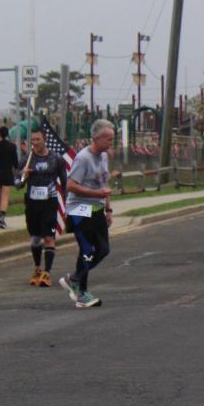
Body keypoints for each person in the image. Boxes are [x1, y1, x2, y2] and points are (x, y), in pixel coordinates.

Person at [60, 120, 115, 309]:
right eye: (108, 139)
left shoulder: (104, 157)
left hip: (96, 208)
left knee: (103, 249)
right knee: (87, 250)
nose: (111, 143)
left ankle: (75, 279)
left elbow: (104, 184)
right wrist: (96, 194)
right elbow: (70, 185)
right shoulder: (83, 158)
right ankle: (81, 292)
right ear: (96, 138)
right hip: (79, 209)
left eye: (112, 139)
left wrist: (108, 209)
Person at [19, 128, 66, 286]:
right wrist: (23, 176)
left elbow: (64, 182)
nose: (35, 143)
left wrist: (67, 201)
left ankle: (47, 272)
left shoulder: (56, 159)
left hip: (49, 202)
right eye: (32, 140)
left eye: (37, 139)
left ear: (45, 140)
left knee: (48, 237)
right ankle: (37, 268)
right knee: (35, 239)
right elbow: (17, 183)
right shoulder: (26, 160)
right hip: (32, 203)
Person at [0, 124, 20, 229]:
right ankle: (1, 217)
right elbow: (15, 163)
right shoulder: (12, 146)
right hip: (7, 173)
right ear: (7, 134)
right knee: (5, 196)